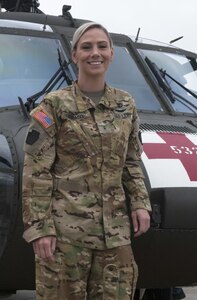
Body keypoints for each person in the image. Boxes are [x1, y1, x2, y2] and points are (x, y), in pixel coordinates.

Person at [22, 21, 151, 300]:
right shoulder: (54, 106)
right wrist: (39, 228)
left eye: (102, 46)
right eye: (87, 47)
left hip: (115, 235)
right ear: (75, 55)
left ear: (112, 53)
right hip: (66, 235)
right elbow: (37, 171)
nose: (96, 53)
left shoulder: (125, 104)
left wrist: (140, 203)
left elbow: (131, 162)